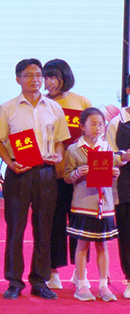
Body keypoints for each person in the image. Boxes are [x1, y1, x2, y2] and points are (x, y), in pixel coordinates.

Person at [0, 58, 69, 300]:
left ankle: (40, 280)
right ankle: (14, 281)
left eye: (38, 75)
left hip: (46, 173)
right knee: (15, 227)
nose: (35, 80)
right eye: (29, 75)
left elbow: (60, 140)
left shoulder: (54, 108)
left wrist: (59, 156)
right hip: (18, 172)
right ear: (18, 79)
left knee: (44, 228)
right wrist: (10, 163)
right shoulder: (8, 108)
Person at [43, 59, 92, 290]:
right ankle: (53, 271)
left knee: (80, 223)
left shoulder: (81, 102)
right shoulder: (42, 103)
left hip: (79, 177)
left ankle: (79, 271)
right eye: (46, 77)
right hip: (52, 174)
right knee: (53, 223)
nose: (49, 82)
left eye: (54, 77)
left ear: (65, 77)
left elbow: (94, 136)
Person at [64, 108, 119, 301]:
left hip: (104, 205)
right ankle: (81, 284)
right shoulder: (74, 149)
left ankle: (103, 285)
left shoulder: (107, 148)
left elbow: (111, 172)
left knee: (102, 245)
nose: (98, 128)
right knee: (83, 244)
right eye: (93, 124)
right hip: (83, 204)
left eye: (101, 124)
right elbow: (67, 177)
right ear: (82, 126)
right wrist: (78, 173)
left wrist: (114, 173)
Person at [107, 73, 130, 299]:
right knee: (127, 234)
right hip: (125, 187)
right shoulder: (117, 123)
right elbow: (107, 155)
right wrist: (123, 156)